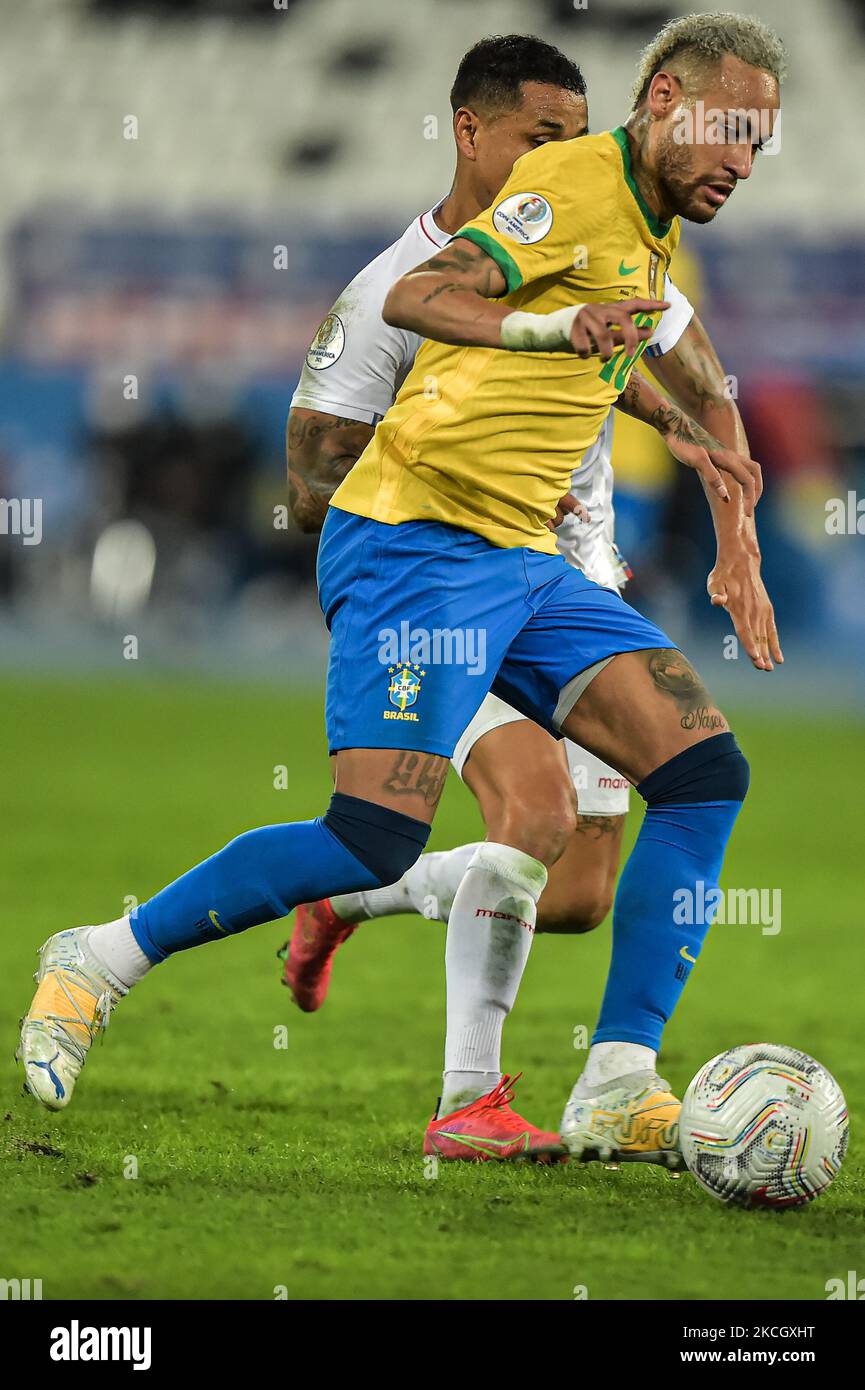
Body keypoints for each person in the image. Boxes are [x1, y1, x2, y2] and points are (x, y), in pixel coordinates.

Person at [19, 14, 784, 1177]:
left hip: (525, 559)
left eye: (760, 144)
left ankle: (617, 1081)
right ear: (667, 100)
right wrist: (552, 326)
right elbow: (421, 295)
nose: (739, 159)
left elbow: (639, 354)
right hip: (415, 547)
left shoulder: (644, 221)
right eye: (728, 130)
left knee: (700, 769)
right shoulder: (571, 189)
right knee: (372, 835)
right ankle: (100, 954)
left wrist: (707, 463)